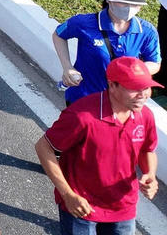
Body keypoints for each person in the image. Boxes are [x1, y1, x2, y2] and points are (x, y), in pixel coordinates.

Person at [34, 57, 159, 235]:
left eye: (146, 88)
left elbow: (147, 149)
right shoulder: (81, 116)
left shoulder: (145, 116)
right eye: (134, 88)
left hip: (124, 208)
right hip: (81, 207)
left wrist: (150, 174)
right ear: (112, 85)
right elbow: (44, 147)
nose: (143, 95)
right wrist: (67, 194)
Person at [53, 0, 161, 105]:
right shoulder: (83, 23)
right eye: (123, 3)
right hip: (82, 100)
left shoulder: (147, 31)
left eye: (135, 4)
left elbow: (155, 63)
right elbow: (58, 35)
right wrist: (67, 67)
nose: (129, 8)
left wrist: (135, 70)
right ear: (109, 0)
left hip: (121, 104)